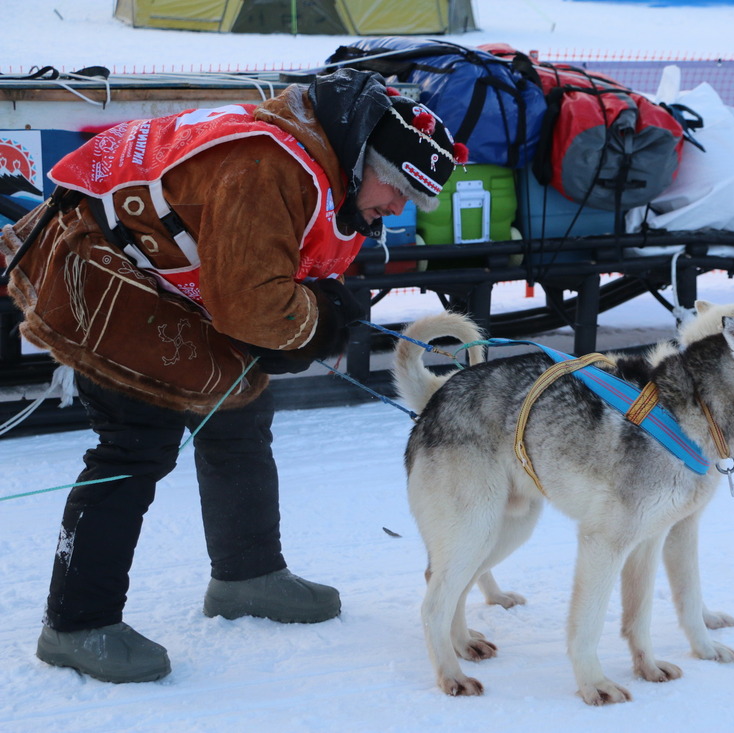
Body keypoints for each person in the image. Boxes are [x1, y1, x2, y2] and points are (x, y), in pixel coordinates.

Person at [0, 68, 467, 683]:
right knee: (134, 443)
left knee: (240, 413)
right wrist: (318, 321)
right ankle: (75, 623)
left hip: (164, 281)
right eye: (396, 189)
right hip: (101, 280)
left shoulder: (321, 162)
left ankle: (247, 575)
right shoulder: (268, 166)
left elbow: (259, 279)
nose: (397, 208)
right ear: (364, 160)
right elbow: (252, 308)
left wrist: (307, 314)